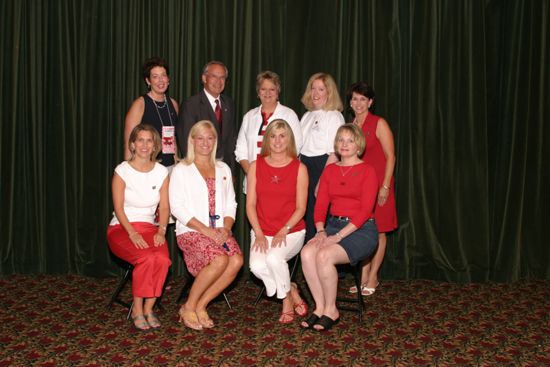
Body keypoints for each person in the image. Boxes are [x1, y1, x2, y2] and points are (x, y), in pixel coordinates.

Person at [300, 124, 379, 331]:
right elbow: (320, 206)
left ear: (359, 145)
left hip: (361, 230)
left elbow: (364, 211)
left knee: (325, 255)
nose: (344, 144)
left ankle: (331, 310)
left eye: (350, 140)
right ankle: (319, 308)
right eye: (341, 140)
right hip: (333, 225)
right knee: (308, 253)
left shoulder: (368, 171)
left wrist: (338, 236)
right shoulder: (330, 171)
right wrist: (320, 231)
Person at [170, 120, 243, 330]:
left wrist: (227, 228)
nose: (205, 142)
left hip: (220, 230)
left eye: (210, 138)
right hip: (192, 230)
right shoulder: (182, 169)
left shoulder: (223, 168)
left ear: (215, 141)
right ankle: (188, 306)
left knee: (236, 260)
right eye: (200, 138)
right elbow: (177, 207)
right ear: (192, 141)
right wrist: (206, 231)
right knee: (220, 260)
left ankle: (201, 305)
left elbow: (231, 203)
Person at [107, 124, 172, 330]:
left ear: (155, 146)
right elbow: (118, 208)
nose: (145, 145)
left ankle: (149, 308)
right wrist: (132, 233)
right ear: (133, 144)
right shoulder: (122, 170)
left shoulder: (162, 172)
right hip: (122, 228)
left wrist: (162, 230)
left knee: (161, 259)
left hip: (150, 228)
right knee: (146, 258)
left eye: (149, 141)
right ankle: (137, 308)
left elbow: (164, 206)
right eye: (140, 140)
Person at [246, 120, 309, 324]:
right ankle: (290, 289)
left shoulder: (300, 168)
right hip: (262, 230)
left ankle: (286, 301)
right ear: (267, 140)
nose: (278, 140)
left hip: (291, 231)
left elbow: (301, 208)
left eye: (282, 135)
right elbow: (250, 205)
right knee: (256, 266)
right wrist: (259, 233)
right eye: (273, 136)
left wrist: (284, 229)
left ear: (289, 139)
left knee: (274, 259)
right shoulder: (255, 166)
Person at [348, 82, 397, 296]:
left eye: (363, 99)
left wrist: (385, 185)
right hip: (359, 189)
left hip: (379, 186)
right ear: (350, 102)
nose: (358, 103)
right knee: (363, 231)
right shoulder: (350, 126)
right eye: (355, 99)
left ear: (370, 102)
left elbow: (391, 157)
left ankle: (373, 277)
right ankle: (363, 277)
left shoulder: (379, 123)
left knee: (379, 230)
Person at [235, 71, 302, 192]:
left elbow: (295, 147)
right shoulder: (249, 116)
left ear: (278, 92)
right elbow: (240, 150)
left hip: (281, 179)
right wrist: (252, 172)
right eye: (263, 89)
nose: (267, 93)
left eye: (272, 89)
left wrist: (275, 172)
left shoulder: (289, 115)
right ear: (258, 92)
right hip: (253, 181)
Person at [299, 73, 345, 243]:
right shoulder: (307, 116)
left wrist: (323, 180)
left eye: (321, 89)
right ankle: (307, 260)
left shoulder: (334, 116)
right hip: (304, 167)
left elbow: (335, 152)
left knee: (320, 216)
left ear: (329, 93)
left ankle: (324, 261)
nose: (316, 93)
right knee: (306, 215)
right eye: (313, 88)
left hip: (323, 167)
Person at [176, 61, 237, 174]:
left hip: (224, 171)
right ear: (204, 78)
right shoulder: (191, 105)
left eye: (222, 77)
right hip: (199, 170)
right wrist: (196, 172)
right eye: (214, 76)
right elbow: (186, 142)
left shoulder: (229, 104)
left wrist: (232, 171)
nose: (218, 81)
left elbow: (231, 141)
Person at [124, 57, 179, 167]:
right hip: (147, 168)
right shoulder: (140, 104)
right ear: (148, 81)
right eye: (155, 77)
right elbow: (129, 143)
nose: (160, 80)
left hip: (170, 167)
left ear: (168, 79)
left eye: (163, 75)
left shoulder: (173, 104)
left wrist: (176, 163)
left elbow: (173, 138)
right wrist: (129, 171)